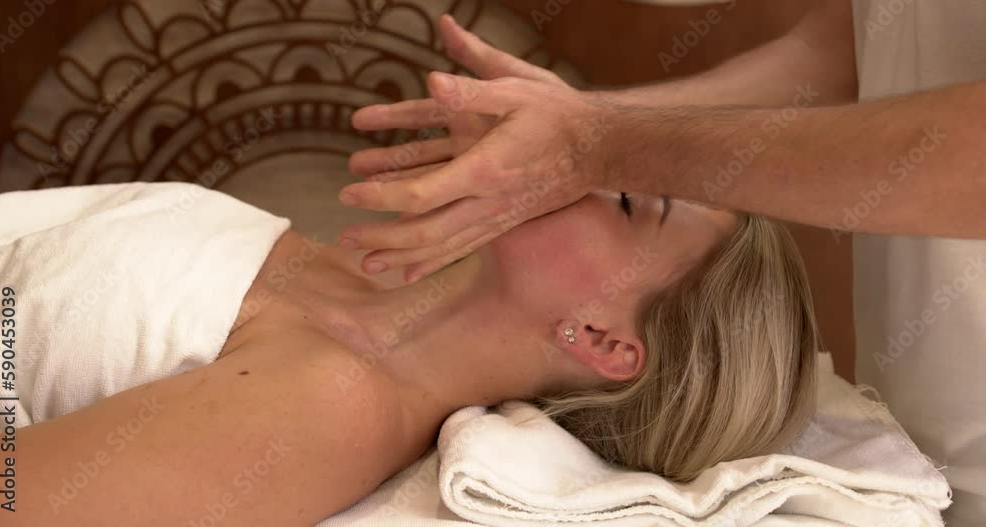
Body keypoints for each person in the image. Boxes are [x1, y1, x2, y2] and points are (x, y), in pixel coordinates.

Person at [339, 6, 986, 524]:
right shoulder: (341, 302)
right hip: (931, 411)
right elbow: (846, 49)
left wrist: (594, 142)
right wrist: (578, 128)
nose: (578, 187)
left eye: (625, 199)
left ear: (603, 339)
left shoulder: (343, 406)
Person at [0, 174, 816, 524]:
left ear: (601, 339)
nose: (580, 171)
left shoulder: (330, 407)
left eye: (628, 199)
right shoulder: (349, 271)